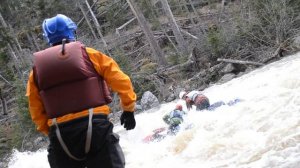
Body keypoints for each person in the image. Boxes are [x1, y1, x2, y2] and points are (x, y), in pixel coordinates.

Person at [26, 14, 136, 168]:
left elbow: (35, 110)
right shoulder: (90, 54)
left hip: (61, 136)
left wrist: (51, 133)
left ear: (48, 38)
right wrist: (128, 109)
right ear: (72, 32)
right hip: (96, 129)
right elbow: (121, 81)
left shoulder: (36, 72)